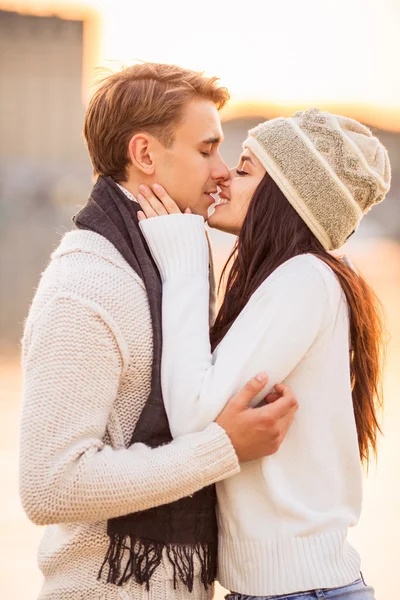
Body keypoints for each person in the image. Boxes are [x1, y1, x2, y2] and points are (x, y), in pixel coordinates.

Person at [18, 62, 298, 600]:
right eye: (205, 149)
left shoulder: (173, 268)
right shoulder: (89, 284)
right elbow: (48, 487)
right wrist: (224, 446)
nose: (221, 171)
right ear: (145, 154)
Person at [136, 107, 391, 600]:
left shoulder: (304, 279)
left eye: (246, 168)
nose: (225, 175)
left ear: (287, 196)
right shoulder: (297, 280)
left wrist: (185, 258)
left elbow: (194, 417)